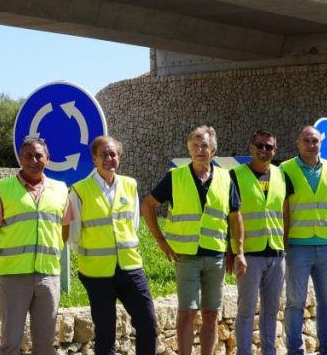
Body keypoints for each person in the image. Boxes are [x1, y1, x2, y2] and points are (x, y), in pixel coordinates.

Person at [143, 125, 245, 355]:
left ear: (213, 150)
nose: (200, 150)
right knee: (187, 312)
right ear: (189, 150)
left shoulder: (225, 178)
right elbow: (147, 205)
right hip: (185, 255)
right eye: (195, 146)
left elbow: (234, 216)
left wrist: (236, 251)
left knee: (211, 313)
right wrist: (160, 240)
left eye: (205, 146)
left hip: (215, 256)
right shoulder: (175, 177)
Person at [0, 136, 72, 355]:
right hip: (12, 277)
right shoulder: (2, 189)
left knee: (45, 344)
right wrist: (2, 257)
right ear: (20, 158)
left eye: (39, 155)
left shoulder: (60, 190)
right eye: (28, 155)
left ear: (47, 159)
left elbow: (64, 229)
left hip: (48, 276)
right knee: (10, 343)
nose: (33, 160)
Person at [69, 136, 158, 355]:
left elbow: (133, 224)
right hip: (97, 273)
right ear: (94, 159)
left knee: (148, 323)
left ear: (119, 157)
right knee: (105, 332)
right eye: (104, 154)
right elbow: (73, 234)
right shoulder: (80, 190)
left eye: (113, 154)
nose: (109, 158)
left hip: (130, 267)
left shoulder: (130, 185)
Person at [281, 125, 327, 355]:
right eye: (306, 141)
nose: (311, 145)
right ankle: (294, 350)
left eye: (315, 141)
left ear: (321, 144)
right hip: (297, 247)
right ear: (297, 143)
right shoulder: (284, 170)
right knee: (295, 303)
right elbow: (280, 209)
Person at [229, 130, 286, 355]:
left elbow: (286, 212)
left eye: (269, 147)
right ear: (251, 147)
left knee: (271, 311)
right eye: (259, 146)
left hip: (276, 253)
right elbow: (230, 216)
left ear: (275, 150)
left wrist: (285, 244)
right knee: (246, 310)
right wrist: (231, 252)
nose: (264, 150)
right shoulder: (235, 175)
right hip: (249, 254)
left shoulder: (281, 176)